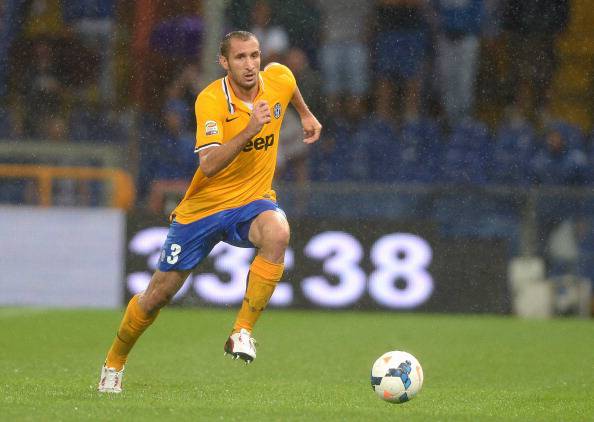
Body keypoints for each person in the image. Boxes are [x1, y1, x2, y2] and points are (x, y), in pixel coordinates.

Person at [97, 31, 322, 393]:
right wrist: (251, 129)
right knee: (157, 297)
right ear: (224, 62)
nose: (250, 65)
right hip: (203, 210)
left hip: (252, 201)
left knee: (278, 231)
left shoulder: (277, 78)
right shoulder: (211, 100)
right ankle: (114, 361)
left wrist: (307, 115)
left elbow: (289, 82)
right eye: (240, 58)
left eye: (254, 56)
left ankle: (242, 331)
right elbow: (210, 163)